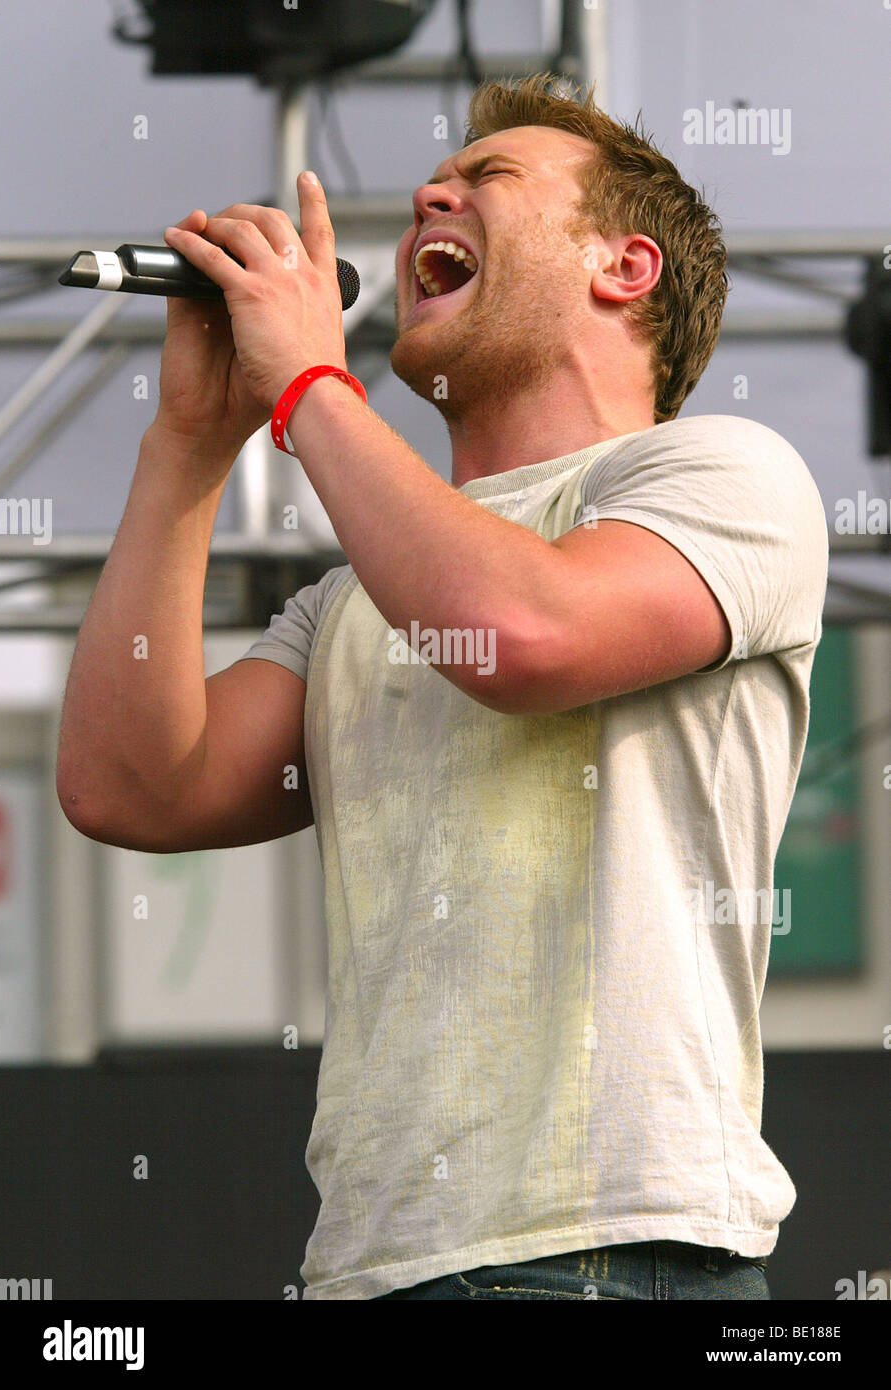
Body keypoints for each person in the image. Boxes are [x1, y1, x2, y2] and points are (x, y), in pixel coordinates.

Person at [56, 73, 828, 1300]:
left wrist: (311, 388)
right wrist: (190, 449)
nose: (426, 197)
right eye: (438, 185)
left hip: (606, 1247)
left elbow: (522, 636)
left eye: (487, 182)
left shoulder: (724, 472)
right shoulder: (357, 599)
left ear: (624, 267)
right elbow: (127, 787)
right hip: (371, 1266)